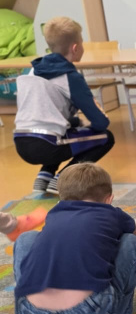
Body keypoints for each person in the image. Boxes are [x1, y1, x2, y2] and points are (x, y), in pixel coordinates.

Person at [13, 163, 136, 314]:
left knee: (27, 238)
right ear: (109, 199)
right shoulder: (111, 213)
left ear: (61, 198)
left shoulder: (54, 213)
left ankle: (32, 296)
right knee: (130, 242)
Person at [13, 16, 114, 195]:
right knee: (106, 137)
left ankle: (45, 176)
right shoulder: (70, 77)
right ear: (75, 48)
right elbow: (100, 122)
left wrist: (76, 122)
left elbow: (46, 114)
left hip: (20, 142)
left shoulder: (34, 70)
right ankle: (63, 178)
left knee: (64, 131)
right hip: (46, 145)